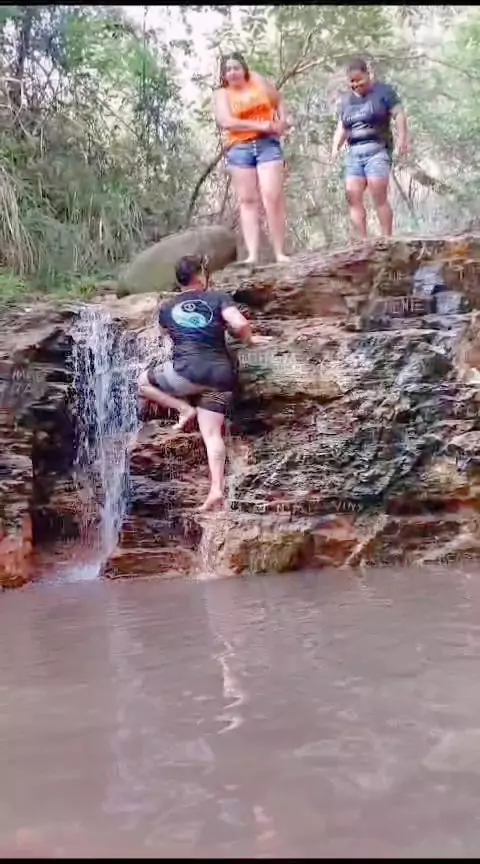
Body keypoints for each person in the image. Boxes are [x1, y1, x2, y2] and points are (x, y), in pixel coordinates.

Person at [138, 254, 272, 512]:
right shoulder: (218, 298)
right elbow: (240, 323)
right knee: (211, 434)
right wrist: (249, 340)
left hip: (186, 373)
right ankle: (216, 490)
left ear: (179, 280)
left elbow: (167, 336)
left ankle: (183, 409)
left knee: (141, 382)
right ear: (200, 276)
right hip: (220, 376)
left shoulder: (167, 308)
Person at [213, 51, 290, 264]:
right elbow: (226, 122)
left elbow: (278, 100)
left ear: (244, 69)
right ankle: (252, 255)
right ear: (224, 75)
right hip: (240, 148)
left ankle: (279, 252)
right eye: (228, 70)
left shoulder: (257, 82)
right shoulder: (222, 94)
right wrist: (260, 125)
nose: (232, 72)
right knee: (247, 200)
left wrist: (282, 121)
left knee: (272, 197)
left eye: (236, 68)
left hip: (267, 145)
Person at [331, 57, 410, 240]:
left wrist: (402, 138)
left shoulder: (384, 92)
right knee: (353, 195)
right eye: (352, 81)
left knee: (378, 194)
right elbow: (342, 126)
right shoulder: (347, 101)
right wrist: (335, 148)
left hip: (377, 149)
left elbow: (399, 114)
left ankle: (387, 239)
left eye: (359, 79)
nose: (356, 84)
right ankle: (362, 241)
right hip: (354, 152)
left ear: (368, 74)